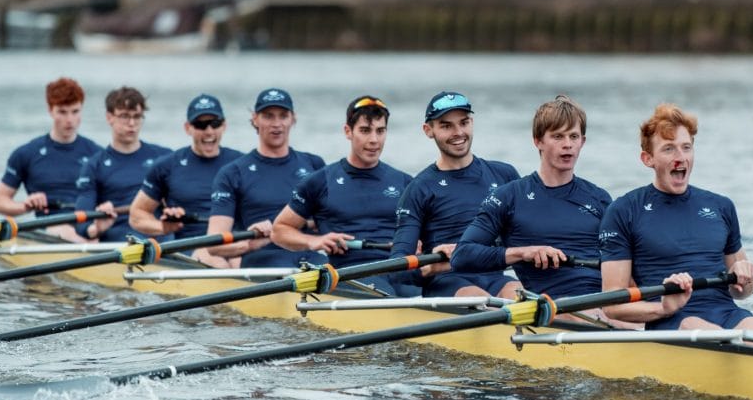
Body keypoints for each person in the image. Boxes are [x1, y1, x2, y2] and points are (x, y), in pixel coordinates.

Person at [599, 103, 753, 333]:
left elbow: (741, 293)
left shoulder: (721, 206)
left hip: (725, 311)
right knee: (697, 328)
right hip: (672, 319)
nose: (680, 157)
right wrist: (665, 307)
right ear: (647, 159)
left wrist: (745, 278)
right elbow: (612, 306)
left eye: (686, 147)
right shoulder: (624, 210)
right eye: (669, 149)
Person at [453, 95, 618, 308]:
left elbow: (626, 257)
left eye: (574, 136)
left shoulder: (600, 198)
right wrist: (524, 252)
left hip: (606, 301)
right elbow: (462, 255)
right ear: (538, 141)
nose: (567, 145)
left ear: (582, 142)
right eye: (558, 137)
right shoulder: (508, 197)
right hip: (553, 307)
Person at [271, 95, 417, 295]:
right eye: (365, 131)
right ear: (348, 131)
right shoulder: (320, 182)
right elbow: (279, 230)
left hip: (403, 268)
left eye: (380, 131)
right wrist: (315, 242)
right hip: (352, 275)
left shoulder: (405, 182)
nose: (374, 140)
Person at [391, 91, 520, 299]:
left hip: (495, 278)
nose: (458, 132)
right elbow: (396, 271)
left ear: (472, 122)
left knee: (528, 299)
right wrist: (433, 267)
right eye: (446, 126)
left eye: (464, 122)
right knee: (481, 301)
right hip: (447, 281)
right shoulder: (419, 189)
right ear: (428, 130)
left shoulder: (504, 175)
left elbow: (526, 238)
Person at [205, 87, 326, 268]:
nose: (276, 123)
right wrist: (249, 244)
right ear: (255, 119)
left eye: (283, 116)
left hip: (311, 257)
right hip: (263, 260)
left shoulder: (314, 164)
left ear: (293, 119)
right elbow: (213, 245)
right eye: (268, 116)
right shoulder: (233, 173)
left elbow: (334, 219)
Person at [129, 94, 243, 266]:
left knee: (242, 261)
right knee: (218, 262)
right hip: (192, 246)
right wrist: (165, 227)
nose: (209, 131)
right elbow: (137, 215)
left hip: (236, 241)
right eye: (201, 125)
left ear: (224, 126)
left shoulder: (241, 163)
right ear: (188, 128)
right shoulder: (167, 167)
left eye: (215, 124)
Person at [0, 77, 101, 242]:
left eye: (75, 111)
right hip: (51, 228)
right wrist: (25, 206)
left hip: (90, 225)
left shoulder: (97, 154)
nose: (69, 120)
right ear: (50, 110)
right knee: (65, 231)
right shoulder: (26, 154)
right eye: (62, 112)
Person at [74, 86, 171, 241]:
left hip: (162, 244)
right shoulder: (94, 166)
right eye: (125, 116)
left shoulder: (164, 158)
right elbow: (80, 225)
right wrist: (97, 228)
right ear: (109, 117)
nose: (132, 123)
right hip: (119, 248)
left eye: (137, 116)